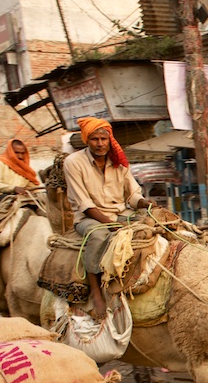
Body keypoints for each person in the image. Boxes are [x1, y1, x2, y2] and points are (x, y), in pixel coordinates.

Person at [63, 116, 151, 315]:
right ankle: (95, 290)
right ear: (87, 140)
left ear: (109, 139)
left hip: (121, 213)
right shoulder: (73, 162)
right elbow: (84, 203)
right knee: (99, 236)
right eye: (95, 139)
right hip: (89, 218)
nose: (100, 143)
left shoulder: (118, 162)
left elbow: (132, 195)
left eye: (104, 139)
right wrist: (109, 224)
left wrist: (146, 204)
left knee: (151, 228)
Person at [0, 138, 41, 211]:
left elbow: (33, 188)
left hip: (16, 198)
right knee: (6, 199)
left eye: (22, 153)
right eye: (16, 152)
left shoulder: (25, 169)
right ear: (10, 152)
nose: (20, 156)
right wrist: (14, 188)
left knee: (38, 203)